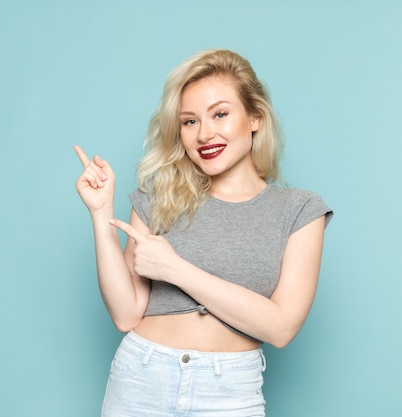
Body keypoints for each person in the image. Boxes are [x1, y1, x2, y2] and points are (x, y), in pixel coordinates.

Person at [74, 49, 333, 416]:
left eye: (220, 114)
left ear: (255, 117)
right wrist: (101, 215)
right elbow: (125, 314)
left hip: (230, 391)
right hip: (141, 379)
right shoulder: (158, 198)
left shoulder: (299, 210)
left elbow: (281, 327)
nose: (204, 134)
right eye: (189, 121)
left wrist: (175, 269)